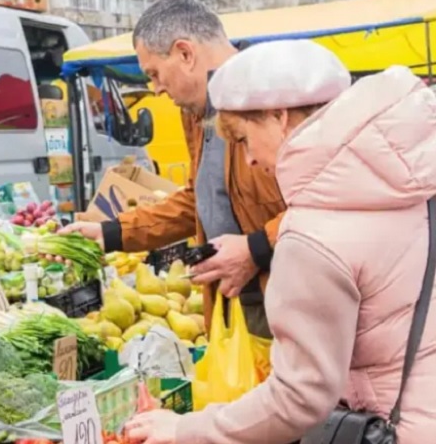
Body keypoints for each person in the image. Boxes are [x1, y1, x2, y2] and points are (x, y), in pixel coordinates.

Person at [124, 40, 436, 443]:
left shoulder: (312, 233)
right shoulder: (411, 179)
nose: (249, 159)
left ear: (279, 116)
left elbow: (299, 397)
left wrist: (186, 428)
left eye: (241, 139)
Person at [62, 0, 285, 337]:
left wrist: (255, 249)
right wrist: (110, 233)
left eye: (154, 73)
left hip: (290, 303)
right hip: (234, 306)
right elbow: (198, 201)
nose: (156, 88)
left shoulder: (277, 95)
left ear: (185, 53)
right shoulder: (196, 113)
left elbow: (331, 202)